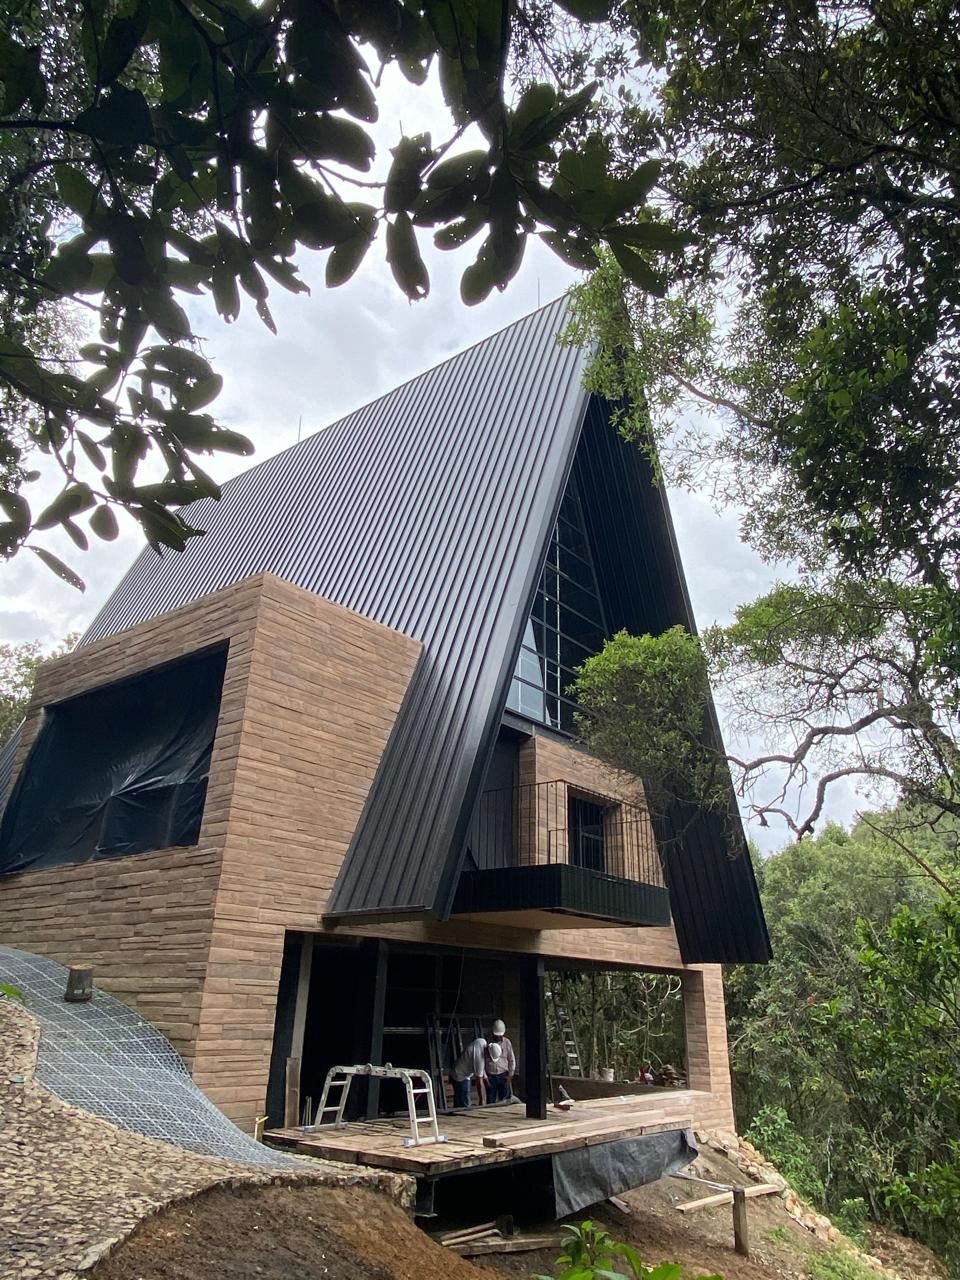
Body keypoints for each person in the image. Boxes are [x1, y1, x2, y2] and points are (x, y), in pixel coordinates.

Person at [450, 1037, 501, 1108]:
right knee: (465, 1104)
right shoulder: (479, 1059)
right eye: (489, 1057)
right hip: (460, 1075)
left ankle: (454, 1115)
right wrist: (481, 1100)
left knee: (459, 1099)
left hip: (459, 1071)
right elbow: (479, 1082)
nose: (489, 1059)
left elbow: (481, 1068)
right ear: (488, 1053)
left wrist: (486, 1079)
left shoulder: (482, 1042)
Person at [485, 1018, 517, 1103]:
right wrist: (485, 1076)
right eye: (497, 1035)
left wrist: (510, 1075)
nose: (499, 1037)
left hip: (504, 1075)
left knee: (506, 1101)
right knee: (490, 1101)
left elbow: (511, 1060)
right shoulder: (487, 1043)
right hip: (491, 1076)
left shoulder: (507, 1043)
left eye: (500, 1035)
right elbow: (482, 1061)